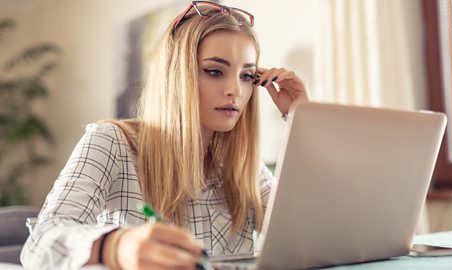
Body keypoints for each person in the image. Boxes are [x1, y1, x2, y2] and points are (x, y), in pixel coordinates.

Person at [21, 1, 309, 269]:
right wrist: (116, 247)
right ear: (176, 75)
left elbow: (310, 234)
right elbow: (40, 241)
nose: (235, 90)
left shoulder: (244, 163)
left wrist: (302, 120)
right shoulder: (112, 142)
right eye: (214, 71)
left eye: (247, 76)